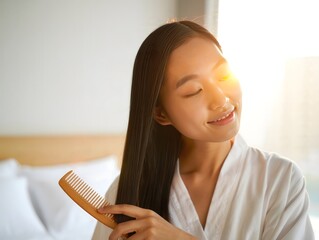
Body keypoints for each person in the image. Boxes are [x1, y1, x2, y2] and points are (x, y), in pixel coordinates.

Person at [92, 20, 315, 240]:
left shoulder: (280, 179)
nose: (221, 99)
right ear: (162, 114)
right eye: (193, 91)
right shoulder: (127, 193)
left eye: (224, 75)